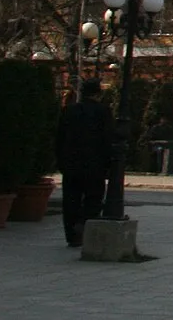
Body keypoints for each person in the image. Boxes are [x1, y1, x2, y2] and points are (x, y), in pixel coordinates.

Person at [54, 79, 115, 247]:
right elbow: (108, 138)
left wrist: (60, 160)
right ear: (98, 94)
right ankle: (85, 225)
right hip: (95, 163)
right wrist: (109, 163)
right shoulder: (103, 111)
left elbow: (60, 137)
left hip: (71, 163)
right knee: (93, 198)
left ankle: (71, 235)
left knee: (70, 199)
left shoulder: (69, 110)